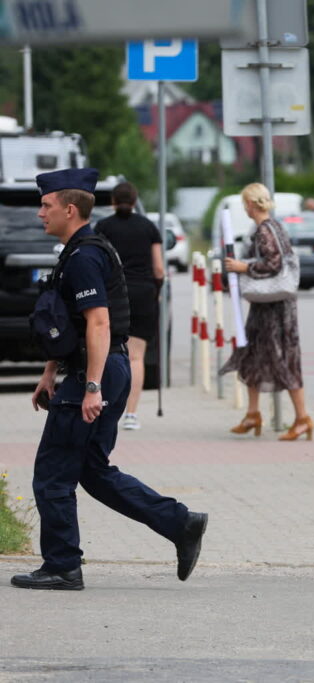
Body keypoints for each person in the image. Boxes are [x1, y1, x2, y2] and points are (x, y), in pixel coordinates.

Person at [15, 168, 207, 591]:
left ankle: (63, 565)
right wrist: (50, 372)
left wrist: (91, 386)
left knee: (52, 474)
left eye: (45, 206)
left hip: (97, 371)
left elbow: (98, 324)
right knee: (93, 471)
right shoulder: (80, 250)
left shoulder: (84, 257)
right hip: (102, 368)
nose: (39, 213)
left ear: (69, 208)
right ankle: (181, 523)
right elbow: (67, 324)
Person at [221, 182, 313, 441]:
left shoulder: (264, 230)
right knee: (252, 354)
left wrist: (243, 267)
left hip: (275, 308)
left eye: (245, 204)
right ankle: (252, 414)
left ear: (251, 204)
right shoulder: (275, 226)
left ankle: (302, 417)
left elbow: (273, 263)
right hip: (267, 306)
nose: (245, 208)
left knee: (282, 358)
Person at [95, 182, 164, 431]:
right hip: (143, 294)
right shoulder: (148, 227)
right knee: (136, 357)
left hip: (114, 296)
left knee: (106, 352)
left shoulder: (103, 227)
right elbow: (158, 268)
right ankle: (132, 415)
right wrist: (157, 290)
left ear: (113, 201)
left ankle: (105, 407)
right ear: (135, 201)